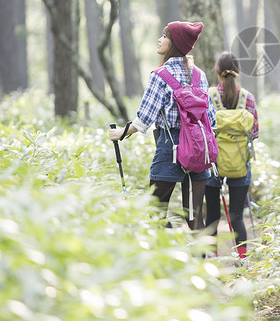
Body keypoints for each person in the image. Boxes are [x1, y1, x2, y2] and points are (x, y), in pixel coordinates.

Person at [107, 21, 216, 230]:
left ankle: (170, 255)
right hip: (199, 149)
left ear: (174, 43)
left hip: (171, 148)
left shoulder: (160, 75)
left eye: (165, 36)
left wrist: (121, 133)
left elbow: (144, 119)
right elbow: (211, 120)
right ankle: (200, 261)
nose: (160, 39)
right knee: (194, 217)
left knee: (155, 214)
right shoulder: (199, 75)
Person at [204, 51, 259, 258]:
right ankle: (243, 259)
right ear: (237, 72)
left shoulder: (209, 96)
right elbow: (254, 133)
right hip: (240, 164)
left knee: (211, 216)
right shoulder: (248, 98)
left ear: (217, 72)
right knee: (236, 216)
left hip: (212, 164)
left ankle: (212, 260)